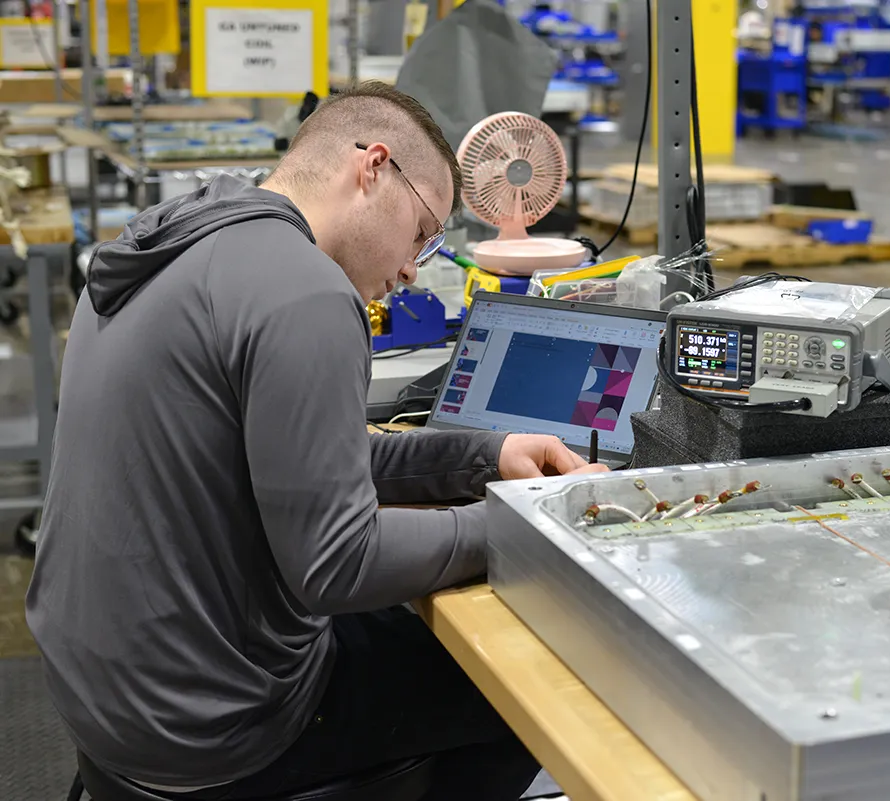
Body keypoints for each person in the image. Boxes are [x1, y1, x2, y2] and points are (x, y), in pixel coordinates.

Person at [25, 81, 606, 799]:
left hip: (102, 696)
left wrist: (484, 456)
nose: (408, 269)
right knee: (530, 680)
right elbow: (337, 564)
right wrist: (532, 525)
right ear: (372, 169)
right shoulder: (306, 291)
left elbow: (310, 464)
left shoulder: (169, 242)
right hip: (212, 725)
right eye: (422, 232)